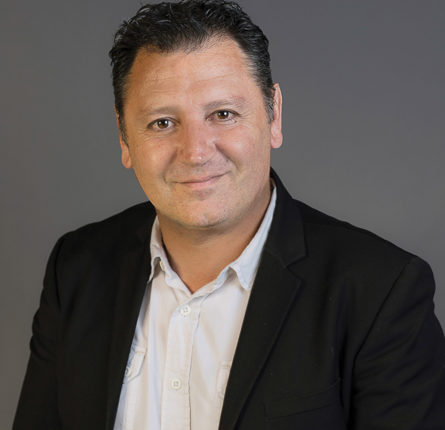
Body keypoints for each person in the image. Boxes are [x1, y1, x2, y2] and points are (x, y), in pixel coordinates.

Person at [13, 1, 445, 429]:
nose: (196, 152)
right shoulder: (77, 268)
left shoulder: (382, 291)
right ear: (124, 137)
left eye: (223, 114)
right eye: (162, 123)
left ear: (274, 115)